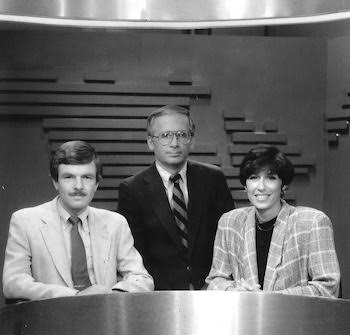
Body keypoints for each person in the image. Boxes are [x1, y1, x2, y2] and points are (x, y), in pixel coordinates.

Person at [3, 140, 154, 301]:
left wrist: (109, 296)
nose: (78, 186)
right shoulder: (26, 221)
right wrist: (75, 296)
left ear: (96, 183)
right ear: (55, 182)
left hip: (104, 317)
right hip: (52, 320)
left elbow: (142, 279)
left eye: (87, 177)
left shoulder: (115, 223)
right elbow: (14, 283)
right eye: (68, 177)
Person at [118, 105, 234, 290]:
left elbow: (230, 240)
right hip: (159, 294)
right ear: (150, 142)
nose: (174, 143)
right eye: (165, 136)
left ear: (192, 140)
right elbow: (135, 254)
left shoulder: (213, 179)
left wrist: (213, 285)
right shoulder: (132, 189)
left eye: (182, 135)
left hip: (212, 290)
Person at [206, 145, 340, 297]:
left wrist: (269, 300)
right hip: (245, 318)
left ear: (283, 185)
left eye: (271, 178)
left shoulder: (312, 223)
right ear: (245, 185)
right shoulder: (229, 222)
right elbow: (215, 280)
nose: (261, 187)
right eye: (253, 178)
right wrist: (236, 292)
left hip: (295, 319)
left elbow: (328, 287)